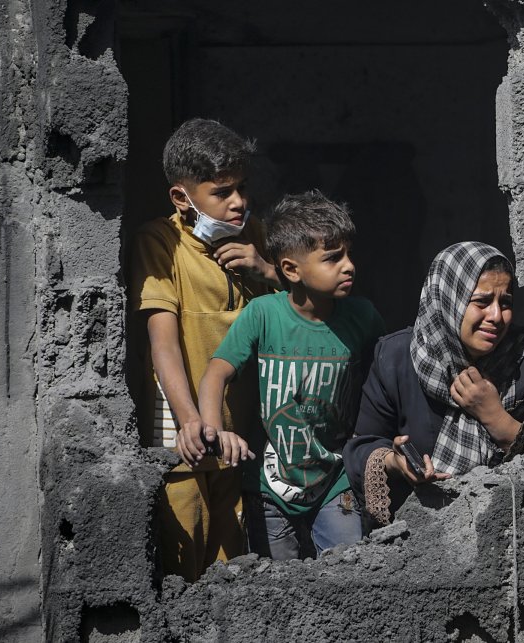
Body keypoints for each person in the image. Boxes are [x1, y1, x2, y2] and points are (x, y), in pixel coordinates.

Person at [198, 190, 386, 559]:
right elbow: (215, 374)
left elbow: (386, 379)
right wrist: (214, 430)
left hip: (336, 481)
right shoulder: (263, 314)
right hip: (269, 486)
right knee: (276, 589)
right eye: (332, 258)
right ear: (290, 269)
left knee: (350, 576)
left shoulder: (362, 318)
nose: (348, 266)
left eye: (348, 254)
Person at [129, 118, 278, 582]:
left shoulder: (257, 235)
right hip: (184, 435)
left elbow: (307, 308)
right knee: (183, 567)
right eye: (221, 192)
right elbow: (163, 345)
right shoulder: (160, 243)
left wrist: (267, 269)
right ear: (182, 198)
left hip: (242, 439)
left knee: (231, 570)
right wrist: (190, 421)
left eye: (242, 187)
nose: (238, 202)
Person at [344, 242, 524, 526]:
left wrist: (494, 416)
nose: (495, 316)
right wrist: (396, 462)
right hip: (413, 537)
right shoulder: (396, 357)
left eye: (505, 303)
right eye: (481, 301)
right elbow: (362, 446)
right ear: (448, 298)